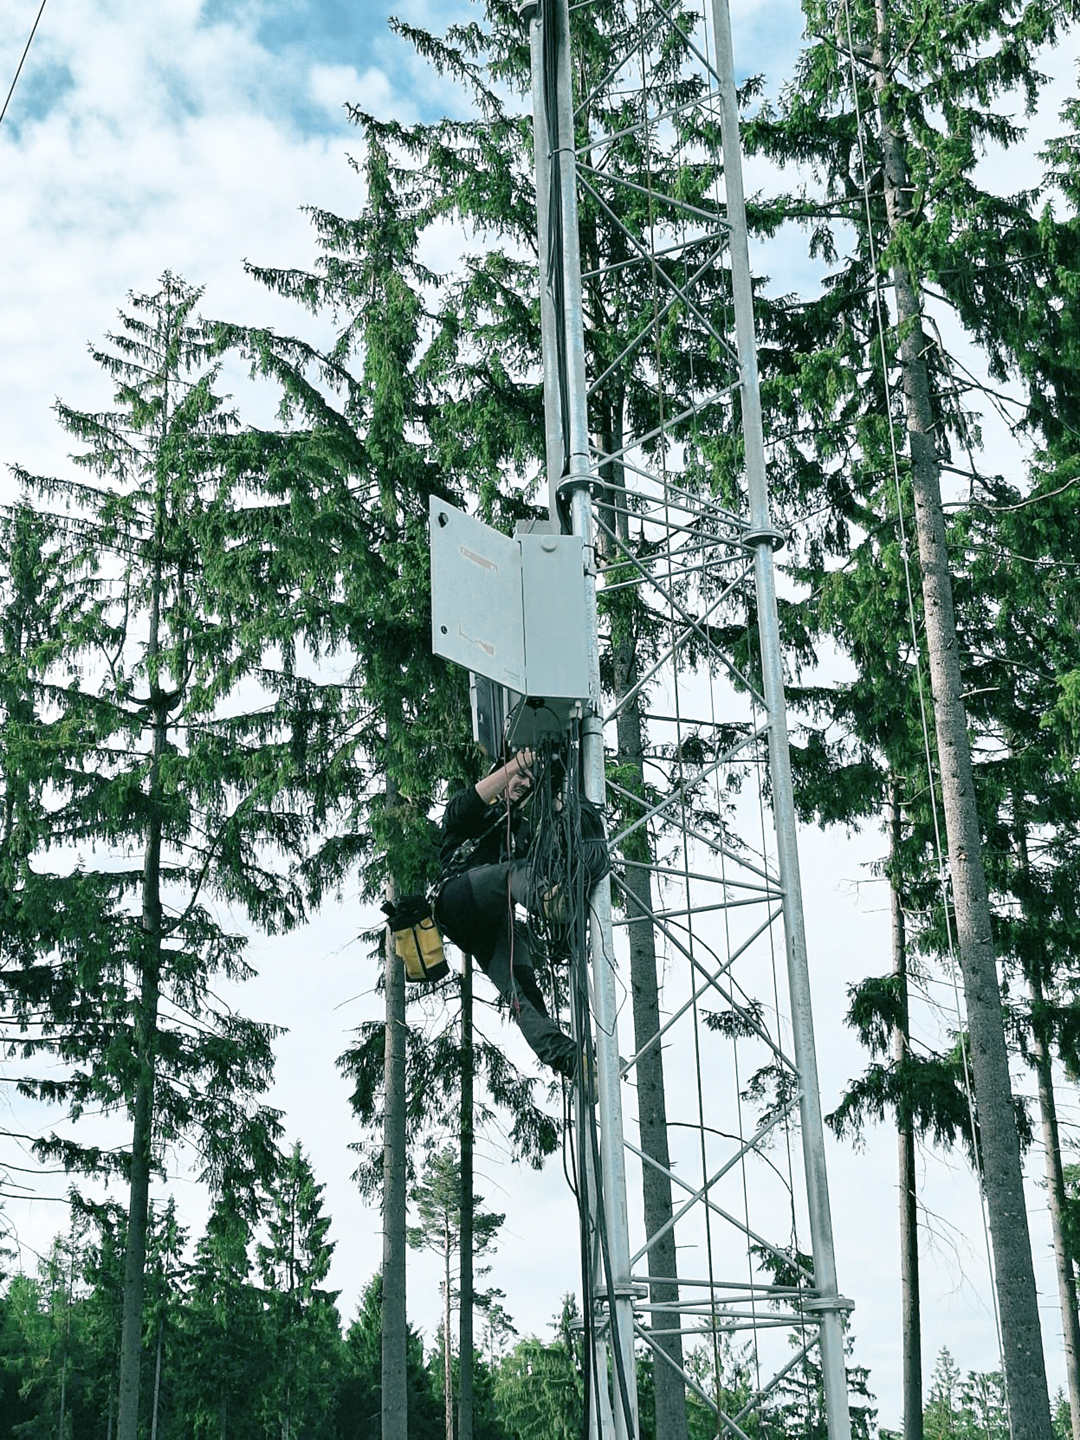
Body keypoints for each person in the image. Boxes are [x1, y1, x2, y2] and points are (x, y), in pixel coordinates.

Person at [433, 749, 578, 1080]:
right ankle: (549, 902)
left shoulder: (520, 831)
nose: (523, 783)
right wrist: (515, 765)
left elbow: (554, 847)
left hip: (489, 923)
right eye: (519, 777)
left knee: (522, 990)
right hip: (457, 900)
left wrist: (553, 795)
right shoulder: (469, 811)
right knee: (513, 873)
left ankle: (566, 1059)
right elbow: (472, 799)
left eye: (528, 780)